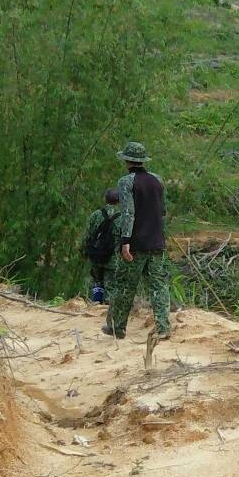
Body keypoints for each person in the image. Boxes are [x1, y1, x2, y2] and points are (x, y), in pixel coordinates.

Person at [105, 141, 171, 340]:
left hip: (136, 243)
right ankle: (163, 327)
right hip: (157, 241)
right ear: (143, 160)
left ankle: (117, 327)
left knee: (125, 285)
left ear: (127, 160)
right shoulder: (157, 180)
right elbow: (163, 210)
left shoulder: (126, 182)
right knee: (158, 285)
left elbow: (128, 213)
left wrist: (125, 241)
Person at [79, 187, 123, 305]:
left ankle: (96, 303)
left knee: (97, 282)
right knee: (111, 287)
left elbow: (87, 236)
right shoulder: (123, 217)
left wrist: (83, 251)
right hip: (114, 260)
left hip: (97, 256)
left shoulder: (96, 215)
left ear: (105, 199)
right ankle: (107, 308)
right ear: (120, 200)